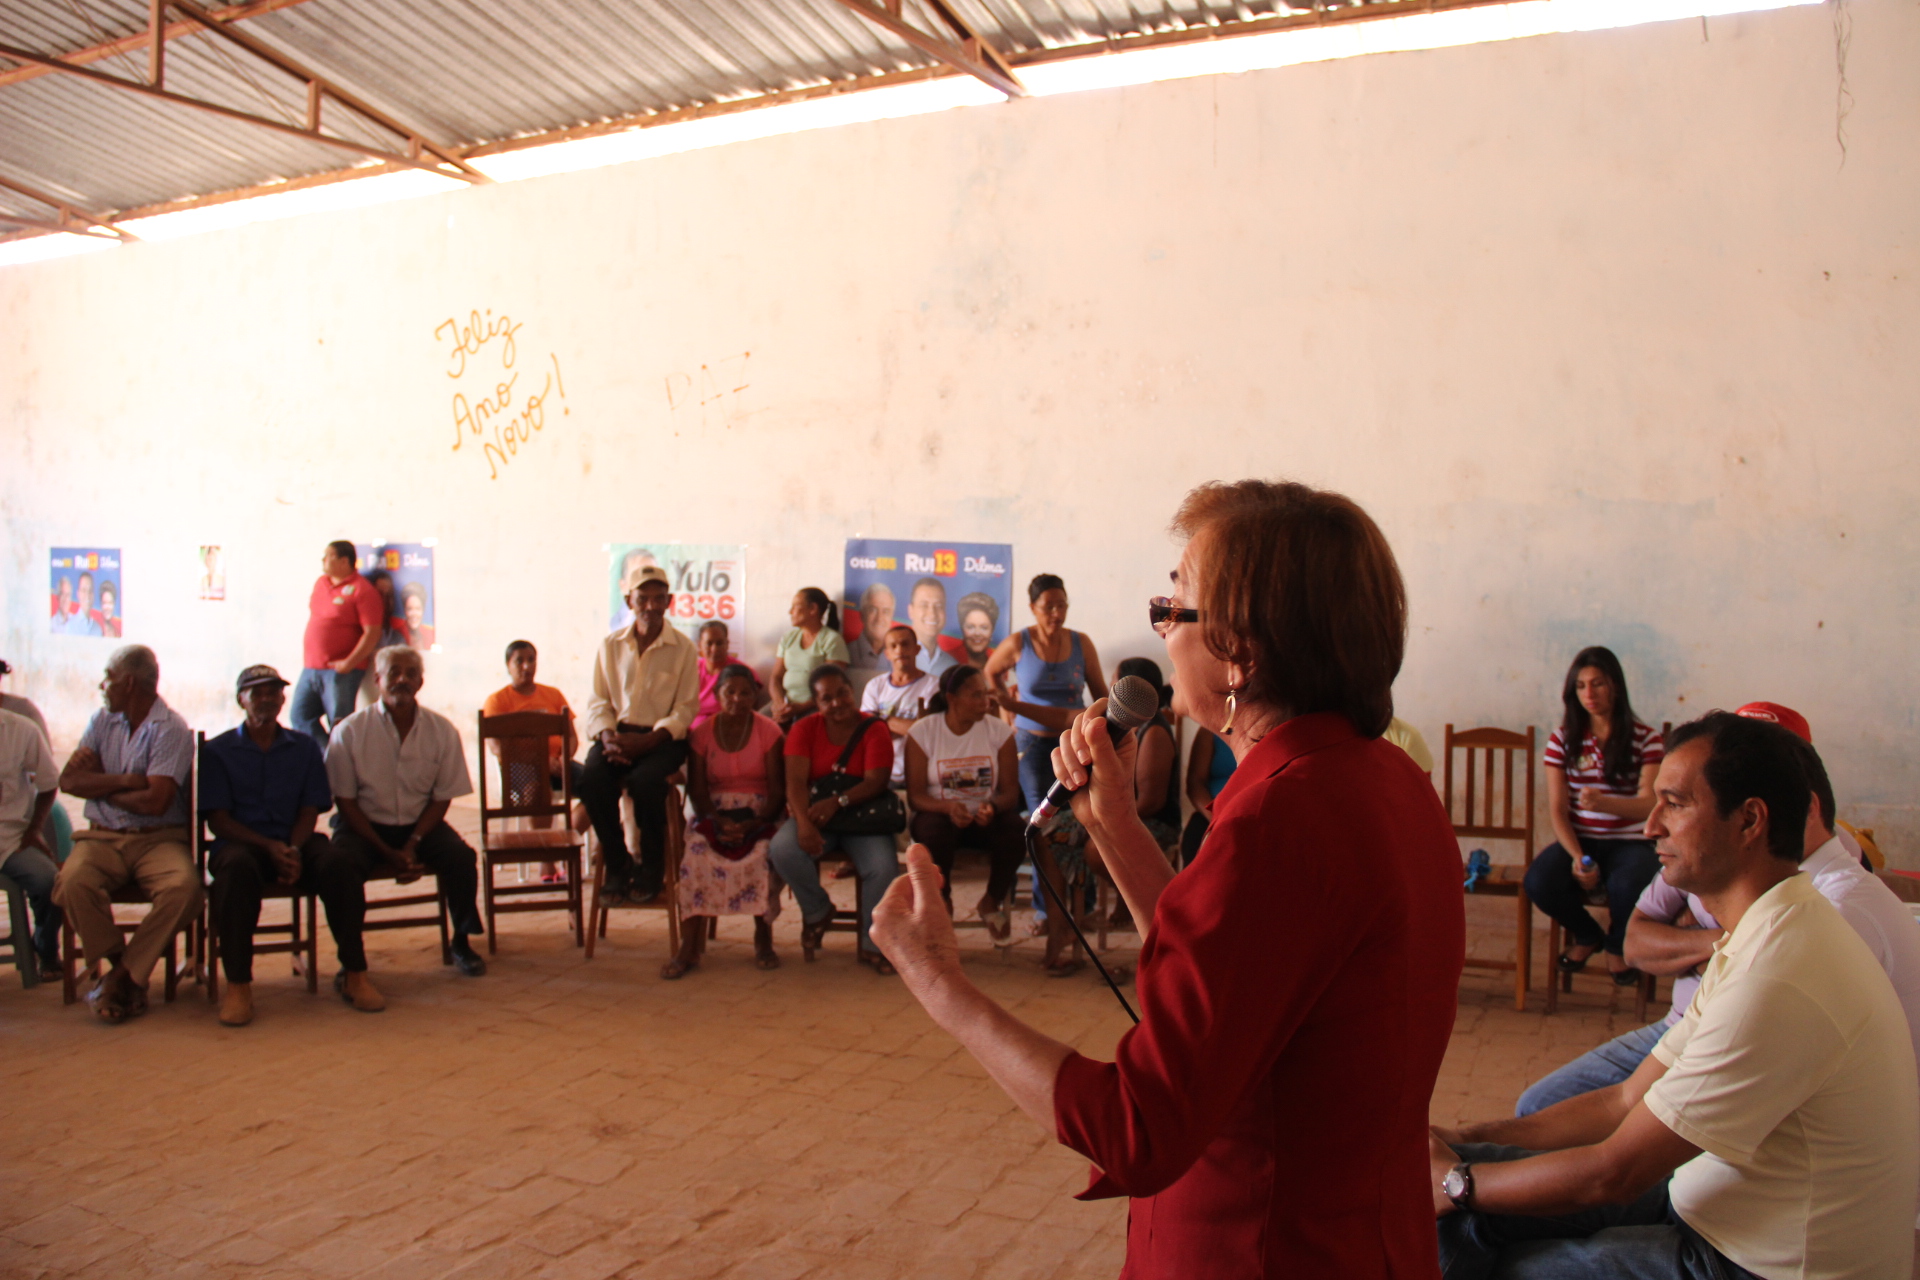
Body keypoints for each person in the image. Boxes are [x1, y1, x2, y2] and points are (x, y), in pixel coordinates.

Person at [874, 480, 1463, 1275]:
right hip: (1365, 1234)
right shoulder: (1385, 779)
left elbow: (1140, 1130)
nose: (1160, 630)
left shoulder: (1276, 821)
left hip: (1260, 1242)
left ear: (1240, 654)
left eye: (1173, 609)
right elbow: (1228, 972)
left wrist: (940, 979)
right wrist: (1113, 826)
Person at [1432, 711, 1919, 1280]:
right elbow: (1622, 1102)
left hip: (1761, 1262)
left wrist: (1454, 1183)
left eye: (1675, 804)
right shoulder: (1764, 928)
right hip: (1718, 1204)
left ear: (1749, 821)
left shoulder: (1781, 971)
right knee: (1461, 1204)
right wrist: (1464, 1141)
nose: (1650, 827)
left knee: (1491, 1251)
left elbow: (1612, 1172)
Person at [1515, 702, 1920, 1117]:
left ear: (1763, 813)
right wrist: (1725, 941)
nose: (1652, 828)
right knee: (1541, 1108)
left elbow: (1627, 1160)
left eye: (1675, 803)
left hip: (1755, 1081)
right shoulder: (1721, 873)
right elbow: (1636, 944)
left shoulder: (1824, 917)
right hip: (1691, 1033)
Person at [52, 645, 201, 1024]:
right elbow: (68, 780)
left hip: (158, 839)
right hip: (102, 838)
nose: (103, 685)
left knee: (184, 889)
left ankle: (118, 978)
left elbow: (156, 802)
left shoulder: (170, 728)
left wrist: (98, 784)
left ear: (129, 682)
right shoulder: (102, 720)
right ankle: (127, 972)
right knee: (72, 881)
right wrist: (125, 780)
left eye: (109, 677)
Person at [324, 646, 488, 980]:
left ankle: (461, 941)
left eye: (410, 673)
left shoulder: (441, 731)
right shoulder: (350, 732)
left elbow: (442, 798)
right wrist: (386, 851)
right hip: (363, 826)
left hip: (420, 825)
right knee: (339, 870)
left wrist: (412, 843)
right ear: (377, 679)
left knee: (460, 858)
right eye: (394, 672)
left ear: (421, 681)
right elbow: (346, 802)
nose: (402, 679)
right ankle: (350, 960)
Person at [199, 665, 349, 1025]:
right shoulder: (217, 751)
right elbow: (218, 821)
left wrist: (293, 849)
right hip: (242, 843)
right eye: (257, 691)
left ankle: (354, 971)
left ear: (284, 698)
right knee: (234, 874)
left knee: (337, 865)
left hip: (293, 840)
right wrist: (269, 847)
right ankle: (238, 985)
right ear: (241, 699)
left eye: (273, 691)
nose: (266, 698)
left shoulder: (303, 747)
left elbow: (310, 808)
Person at [1522, 646, 1664, 987]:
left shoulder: (1647, 739)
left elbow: (1650, 804)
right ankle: (1588, 935)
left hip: (1631, 843)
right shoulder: (1563, 740)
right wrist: (1577, 858)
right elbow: (1558, 809)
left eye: (1598, 684)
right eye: (1581, 686)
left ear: (1615, 685)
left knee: (1628, 884)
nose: (1589, 694)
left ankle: (1618, 945)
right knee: (1538, 882)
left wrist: (1606, 804)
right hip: (1581, 839)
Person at [985, 573, 1108, 932]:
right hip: (1032, 745)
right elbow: (991, 672)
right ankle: (1047, 911)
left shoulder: (1081, 643)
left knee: (1079, 820)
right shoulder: (1019, 642)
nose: (1056, 613)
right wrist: (1008, 711)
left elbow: (1100, 691)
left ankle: (1079, 907)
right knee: (1043, 820)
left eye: (1062, 605)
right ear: (1032, 609)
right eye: (1048, 607)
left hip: (1073, 743)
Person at [766, 665, 900, 973]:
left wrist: (837, 802)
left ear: (852, 692)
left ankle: (873, 944)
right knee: (783, 849)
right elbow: (795, 783)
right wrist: (803, 823)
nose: (837, 702)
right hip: (817, 815)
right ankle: (818, 910)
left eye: (842, 693)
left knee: (882, 868)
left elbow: (876, 781)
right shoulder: (804, 729)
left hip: (863, 817)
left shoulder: (874, 728)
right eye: (827, 698)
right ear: (816, 703)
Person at [580, 566, 700, 905]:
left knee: (647, 783)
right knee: (592, 780)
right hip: (617, 736)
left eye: (658, 598)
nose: (650, 605)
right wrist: (607, 738)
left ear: (669, 601)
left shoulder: (684, 649)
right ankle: (617, 866)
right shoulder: (610, 645)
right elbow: (598, 701)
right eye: (642, 598)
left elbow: (686, 709)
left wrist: (649, 741)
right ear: (629, 601)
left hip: (661, 740)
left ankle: (651, 868)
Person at [667, 664, 785, 980]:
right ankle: (688, 946)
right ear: (718, 696)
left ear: (755, 694)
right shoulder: (702, 734)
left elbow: (777, 790)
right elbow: (697, 788)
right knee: (696, 855)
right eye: (729, 691)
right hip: (712, 812)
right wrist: (715, 820)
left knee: (763, 853)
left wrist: (755, 823)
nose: (737, 698)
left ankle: (763, 939)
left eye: (745, 692)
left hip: (760, 813)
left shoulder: (770, 731)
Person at [904, 664, 1023, 942]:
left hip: (983, 818)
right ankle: (942, 900)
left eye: (985, 694)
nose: (985, 702)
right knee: (931, 832)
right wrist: (947, 807)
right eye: (975, 695)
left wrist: (991, 807)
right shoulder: (923, 733)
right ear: (952, 699)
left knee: (1017, 831)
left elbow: (1010, 793)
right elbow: (916, 796)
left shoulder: (999, 732)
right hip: (941, 815)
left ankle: (991, 900)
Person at [481, 640, 587, 881]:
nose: (526, 666)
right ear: (508, 665)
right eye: (519, 661)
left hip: (556, 763)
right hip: (520, 767)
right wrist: (540, 761)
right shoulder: (497, 701)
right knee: (537, 788)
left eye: (531, 660)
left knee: (599, 786)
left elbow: (570, 736)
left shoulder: (552, 694)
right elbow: (497, 747)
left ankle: (561, 844)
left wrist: (561, 758)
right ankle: (546, 860)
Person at [292, 541, 383, 744]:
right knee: (300, 716)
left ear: (344, 561)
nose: (323, 560)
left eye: (328, 556)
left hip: (340, 672)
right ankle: (324, 757)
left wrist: (349, 663)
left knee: (340, 725)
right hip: (311, 668)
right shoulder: (321, 583)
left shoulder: (362, 590)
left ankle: (337, 765)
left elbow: (372, 633)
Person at [0, 704, 62, 976]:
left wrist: (34, 828)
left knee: (52, 883)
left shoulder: (20, 730)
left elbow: (49, 783)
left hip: (10, 838)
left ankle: (46, 951)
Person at [859, 625, 938, 787]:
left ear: (917, 649)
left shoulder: (934, 685)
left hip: (921, 772)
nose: (900, 650)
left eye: (905, 644)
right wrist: (909, 726)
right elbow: (867, 731)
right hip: (880, 772)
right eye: (893, 646)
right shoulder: (875, 686)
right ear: (887, 654)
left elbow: (927, 733)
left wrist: (882, 720)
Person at [767, 587, 850, 728]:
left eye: (795, 607)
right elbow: (775, 677)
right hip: (786, 703)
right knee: (759, 724)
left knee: (799, 733)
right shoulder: (789, 637)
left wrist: (799, 708)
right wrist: (780, 705)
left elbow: (833, 687)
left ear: (813, 609)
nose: (790, 612)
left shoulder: (832, 639)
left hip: (815, 706)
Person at [1180, 723, 1235, 864]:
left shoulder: (1276, 722)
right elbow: (1195, 784)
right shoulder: (1211, 728)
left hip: (1257, 815)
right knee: (1196, 833)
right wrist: (1215, 820)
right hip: (1212, 815)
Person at [905, 577, 964, 676]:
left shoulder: (952, 666)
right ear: (911, 611)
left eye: (938, 606)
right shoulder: (896, 659)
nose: (932, 613)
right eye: (924, 605)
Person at [690, 621, 734, 730]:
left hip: (724, 728)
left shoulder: (739, 672)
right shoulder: (690, 669)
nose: (714, 649)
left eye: (719, 643)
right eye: (709, 643)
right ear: (700, 645)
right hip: (689, 725)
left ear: (727, 644)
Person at [847, 582, 898, 673]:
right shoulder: (847, 652)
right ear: (862, 615)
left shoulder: (900, 654)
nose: (879, 618)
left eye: (886, 611)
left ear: (892, 617)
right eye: (873, 610)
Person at [957, 592, 1000, 669]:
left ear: (992, 630)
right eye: (970, 627)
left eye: (984, 627)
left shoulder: (1000, 662)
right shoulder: (949, 661)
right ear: (962, 629)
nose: (977, 633)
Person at [54, 572, 104, 637]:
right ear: (78, 594)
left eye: (90, 591)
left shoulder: (98, 629)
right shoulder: (70, 627)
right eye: (84, 590)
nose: (87, 595)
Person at [400, 582, 434, 651]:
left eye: (418, 609)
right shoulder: (397, 637)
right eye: (409, 609)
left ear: (423, 610)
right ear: (404, 610)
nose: (414, 614)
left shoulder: (429, 638)